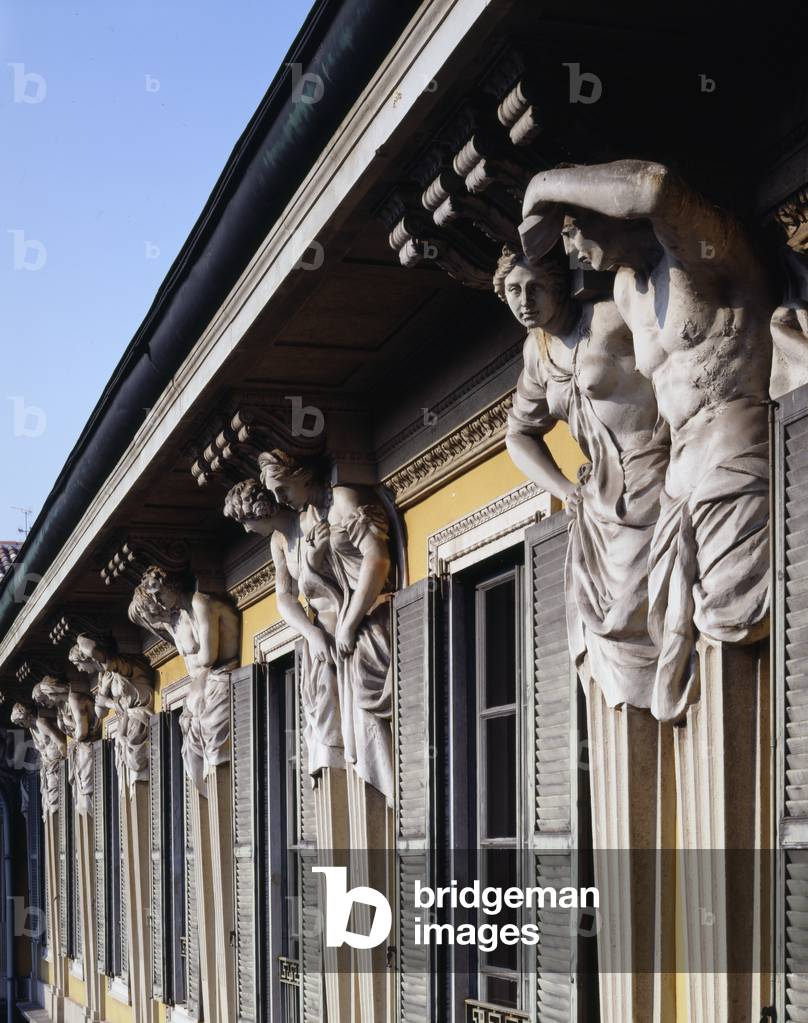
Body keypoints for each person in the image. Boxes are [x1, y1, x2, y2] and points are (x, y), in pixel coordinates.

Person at [521, 160, 774, 720]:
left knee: (738, 644)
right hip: (675, 488)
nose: (574, 254)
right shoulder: (626, 291)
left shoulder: (702, 253)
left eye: (574, 233)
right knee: (681, 671)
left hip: (733, 455)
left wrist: (543, 188)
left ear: (608, 214)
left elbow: (655, 187)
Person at [498, 246, 667, 709]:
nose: (524, 300)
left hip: (653, 472)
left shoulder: (610, 317)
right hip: (598, 503)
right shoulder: (538, 352)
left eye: (535, 287)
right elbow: (519, 436)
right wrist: (566, 491)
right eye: (513, 290)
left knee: (654, 613)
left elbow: (676, 358)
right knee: (608, 630)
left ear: (559, 284)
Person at [258, 450, 395, 804]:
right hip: (343, 634)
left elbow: (377, 559)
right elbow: (302, 590)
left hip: (369, 621)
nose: (278, 499)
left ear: (302, 474)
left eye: (282, 488)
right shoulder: (307, 522)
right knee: (345, 736)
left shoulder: (344, 500)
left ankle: (398, 824)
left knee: (371, 726)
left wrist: (349, 624)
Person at [223, 478, 344, 779]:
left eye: (245, 520)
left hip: (339, 622)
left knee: (331, 704)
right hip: (318, 632)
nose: (245, 530)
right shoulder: (278, 542)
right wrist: (311, 633)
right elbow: (284, 598)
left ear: (260, 511)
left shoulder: (310, 522)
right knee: (318, 704)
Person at [129, 566, 239, 791]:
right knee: (190, 750)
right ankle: (209, 807)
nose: (158, 602)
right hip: (203, 688)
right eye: (154, 598)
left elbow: (209, 657)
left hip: (220, 679)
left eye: (159, 594)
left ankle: (223, 800)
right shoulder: (176, 618)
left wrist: (198, 689)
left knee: (213, 742)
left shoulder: (200, 602)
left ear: (172, 585)